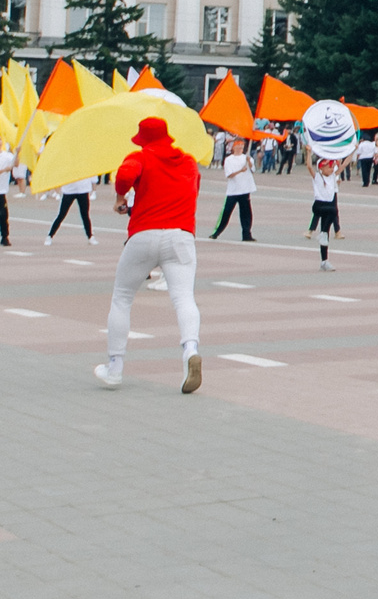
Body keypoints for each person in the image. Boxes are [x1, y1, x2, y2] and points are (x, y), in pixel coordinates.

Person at [93, 117, 204, 394]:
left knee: (122, 297)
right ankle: (190, 349)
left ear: (143, 139)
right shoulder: (189, 162)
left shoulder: (140, 156)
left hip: (144, 235)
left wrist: (121, 198)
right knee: (183, 298)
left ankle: (115, 368)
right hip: (181, 236)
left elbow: (125, 175)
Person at [211, 141, 257, 242]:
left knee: (246, 213)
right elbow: (229, 175)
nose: (240, 147)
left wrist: (249, 162)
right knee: (226, 211)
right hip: (233, 190)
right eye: (238, 145)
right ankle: (216, 232)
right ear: (233, 147)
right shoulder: (229, 160)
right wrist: (240, 171)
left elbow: (253, 169)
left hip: (245, 189)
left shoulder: (247, 158)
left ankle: (246, 234)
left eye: (242, 145)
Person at [308, 156, 342, 267]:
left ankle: (324, 261)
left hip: (328, 206)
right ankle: (322, 234)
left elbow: (344, 165)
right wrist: (309, 152)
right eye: (329, 167)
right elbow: (309, 166)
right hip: (319, 206)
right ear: (321, 168)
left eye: (332, 167)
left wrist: (352, 151)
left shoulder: (332, 177)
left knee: (325, 233)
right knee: (333, 211)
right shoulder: (317, 176)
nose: (331, 169)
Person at [45, 172, 96, 244]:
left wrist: (93, 183)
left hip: (83, 189)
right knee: (62, 214)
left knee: (85, 215)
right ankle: (50, 236)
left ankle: (90, 236)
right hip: (69, 190)